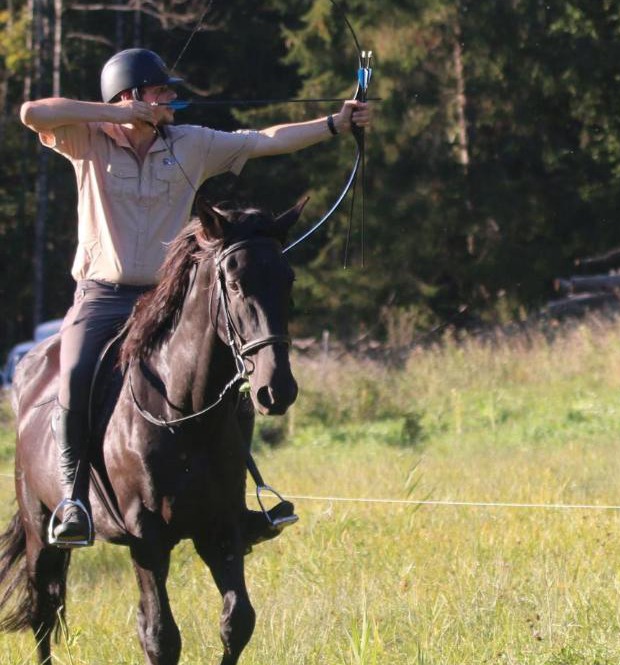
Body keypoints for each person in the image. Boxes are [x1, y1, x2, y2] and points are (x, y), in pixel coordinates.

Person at [19, 48, 372, 547]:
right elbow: (32, 113)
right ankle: (75, 500)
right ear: (131, 95)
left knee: (231, 381)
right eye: (162, 91)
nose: (172, 98)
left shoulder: (191, 143)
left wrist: (334, 124)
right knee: (74, 380)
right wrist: (113, 115)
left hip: (169, 296)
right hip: (101, 296)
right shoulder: (86, 139)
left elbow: (264, 139)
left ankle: (236, 499)